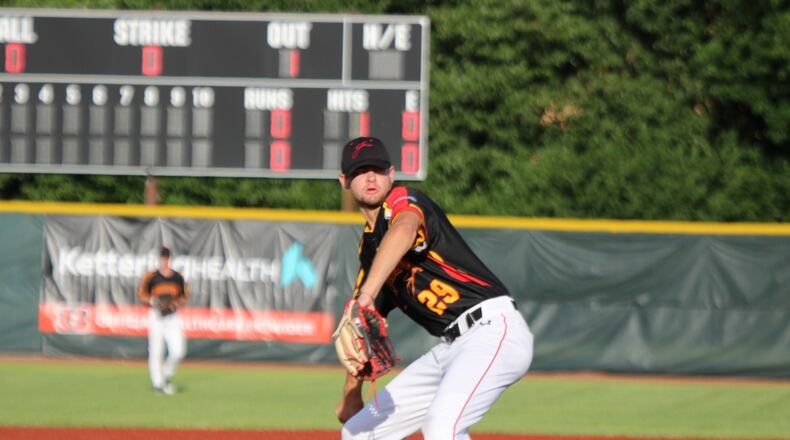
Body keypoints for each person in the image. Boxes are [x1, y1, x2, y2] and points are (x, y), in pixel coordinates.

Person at [335, 137, 534, 439]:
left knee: (442, 427)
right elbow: (360, 326)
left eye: (377, 168)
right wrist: (351, 394)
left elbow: (403, 229)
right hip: (451, 348)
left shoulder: (405, 201)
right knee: (359, 433)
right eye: (360, 171)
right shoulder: (369, 251)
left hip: (493, 330)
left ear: (391, 173)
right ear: (344, 181)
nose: (370, 176)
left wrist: (366, 294)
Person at [137, 246, 189, 395]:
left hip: (172, 316)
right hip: (156, 316)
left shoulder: (177, 277)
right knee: (156, 351)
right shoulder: (151, 277)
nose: (164, 260)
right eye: (161, 257)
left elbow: (185, 295)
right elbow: (141, 294)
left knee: (178, 351)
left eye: (166, 257)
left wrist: (177, 303)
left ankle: (165, 375)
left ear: (169, 259)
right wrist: (153, 300)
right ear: (158, 259)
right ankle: (158, 384)